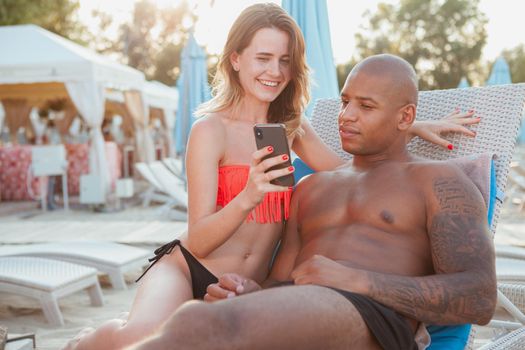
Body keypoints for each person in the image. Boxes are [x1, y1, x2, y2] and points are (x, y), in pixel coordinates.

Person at [64, 4, 478, 350]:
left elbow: (349, 171)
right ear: (236, 59)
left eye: (284, 60)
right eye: (263, 58)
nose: (275, 71)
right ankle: (85, 341)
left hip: (247, 282)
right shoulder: (210, 130)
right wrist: (247, 196)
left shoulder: (291, 128)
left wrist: (409, 125)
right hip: (190, 266)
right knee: (136, 335)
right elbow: (199, 237)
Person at [130, 54, 497, 350]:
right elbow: (280, 283)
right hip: (301, 314)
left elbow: (479, 297)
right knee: (194, 320)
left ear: (406, 117)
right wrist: (252, 293)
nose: (346, 116)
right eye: (345, 101)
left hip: (373, 319)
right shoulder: (310, 188)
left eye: (366, 107)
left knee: (202, 324)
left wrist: (360, 280)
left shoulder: (438, 181)